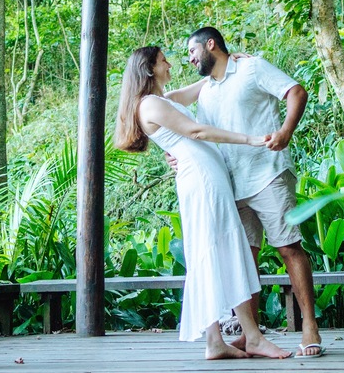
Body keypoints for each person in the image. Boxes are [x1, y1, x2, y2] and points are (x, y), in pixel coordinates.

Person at [113, 46, 291, 361]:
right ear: (150, 69)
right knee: (223, 249)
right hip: (203, 179)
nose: (169, 64)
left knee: (211, 252)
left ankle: (215, 341)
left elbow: (203, 85)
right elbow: (195, 131)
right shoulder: (150, 104)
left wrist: (229, 60)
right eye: (163, 60)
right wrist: (250, 139)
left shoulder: (161, 99)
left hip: (202, 176)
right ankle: (252, 337)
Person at [186, 26, 323, 358]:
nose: (190, 59)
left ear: (210, 44)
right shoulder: (206, 92)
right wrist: (178, 155)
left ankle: (309, 326)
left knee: (288, 248)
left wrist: (286, 131)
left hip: (268, 173)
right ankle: (253, 335)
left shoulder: (251, 68)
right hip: (232, 184)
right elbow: (201, 134)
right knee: (244, 259)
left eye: (192, 51)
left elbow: (296, 91)